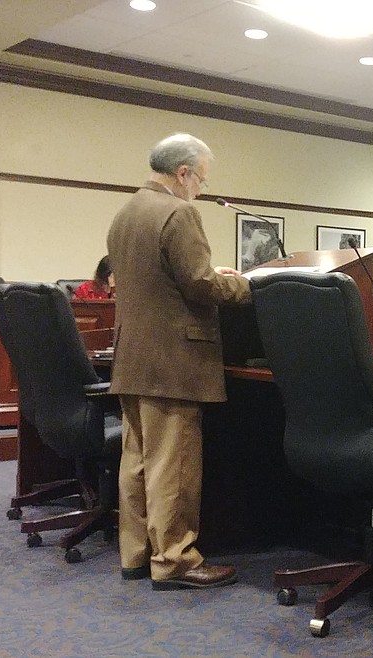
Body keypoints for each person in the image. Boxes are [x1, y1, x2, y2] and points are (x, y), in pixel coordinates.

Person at [106, 133, 252, 591]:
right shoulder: (179, 211)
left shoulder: (126, 211)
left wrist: (211, 275)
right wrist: (246, 285)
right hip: (174, 360)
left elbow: (161, 281)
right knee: (174, 465)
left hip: (134, 357)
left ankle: (135, 553)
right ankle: (175, 561)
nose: (201, 190)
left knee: (138, 461)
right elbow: (200, 286)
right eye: (201, 180)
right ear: (183, 172)